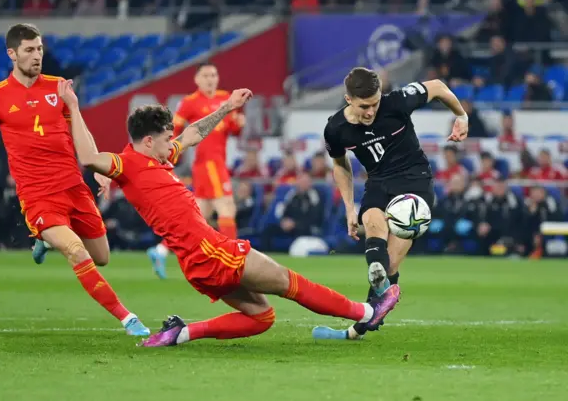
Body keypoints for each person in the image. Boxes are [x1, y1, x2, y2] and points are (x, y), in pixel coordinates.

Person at [57, 79, 401, 348]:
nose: (171, 145)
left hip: (196, 261)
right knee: (286, 281)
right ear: (148, 141)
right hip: (210, 250)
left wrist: (227, 106)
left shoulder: (155, 158)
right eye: (165, 140)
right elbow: (88, 157)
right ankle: (368, 311)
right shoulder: (126, 164)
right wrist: (72, 105)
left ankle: (181, 334)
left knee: (261, 317)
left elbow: (192, 133)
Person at [0, 23, 149, 337]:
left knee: (102, 257)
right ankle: (128, 319)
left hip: (73, 186)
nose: (37, 56)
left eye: (40, 49)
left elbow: (80, 132)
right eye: (29, 50)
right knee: (76, 250)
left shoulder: (59, 87)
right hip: (37, 195)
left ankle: (44, 239)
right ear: (12, 53)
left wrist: (98, 164)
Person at [316, 67, 468, 341]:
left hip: (415, 181)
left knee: (389, 264)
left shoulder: (396, 102)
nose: (371, 111)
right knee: (371, 222)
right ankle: (380, 291)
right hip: (378, 182)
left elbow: (436, 86)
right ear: (348, 99)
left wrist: (461, 115)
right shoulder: (335, 129)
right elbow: (340, 165)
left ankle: (360, 324)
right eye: (364, 106)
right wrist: (350, 207)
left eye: (375, 103)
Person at [146, 62, 245, 279]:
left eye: (214, 74)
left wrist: (239, 123)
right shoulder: (190, 103)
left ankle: (161, 250)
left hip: (216, 162)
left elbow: (233, 129)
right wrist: (166, 150)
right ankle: (235, 262)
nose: (210, 79)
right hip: (208, 164)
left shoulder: (225, 98)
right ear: (197, 80)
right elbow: (174, 129)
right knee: (227, 208)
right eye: (206, 75)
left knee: (198, 217)